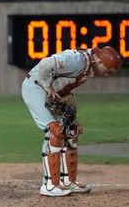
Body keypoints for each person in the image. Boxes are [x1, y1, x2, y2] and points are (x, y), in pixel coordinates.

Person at [21, 46, 122, 196]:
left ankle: (68, 181)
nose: (106, 75)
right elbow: (45, 64)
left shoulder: (89, 64)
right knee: (56, 131)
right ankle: (49, 185)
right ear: (99, 60)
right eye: (107, 71)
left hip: (51, 94)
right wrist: (48, 87)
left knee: (71, 131)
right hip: (35, 88)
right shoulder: (78, 61)